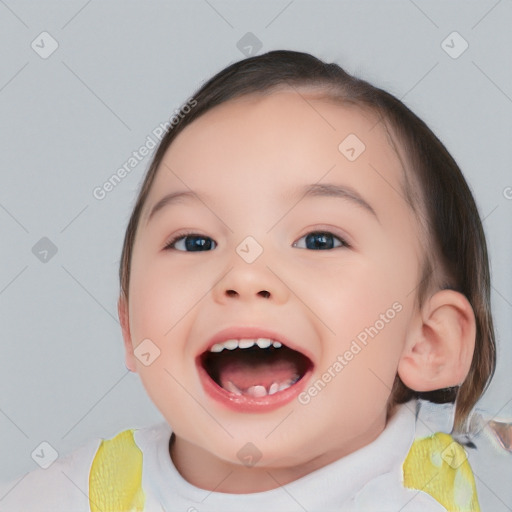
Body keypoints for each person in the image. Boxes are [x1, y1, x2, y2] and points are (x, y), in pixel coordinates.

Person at [0, 50, 496, 512]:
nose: (246, 274)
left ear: (429, 342)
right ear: (132, 330)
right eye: (195, 241)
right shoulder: (60, 496)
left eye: (319, 240)